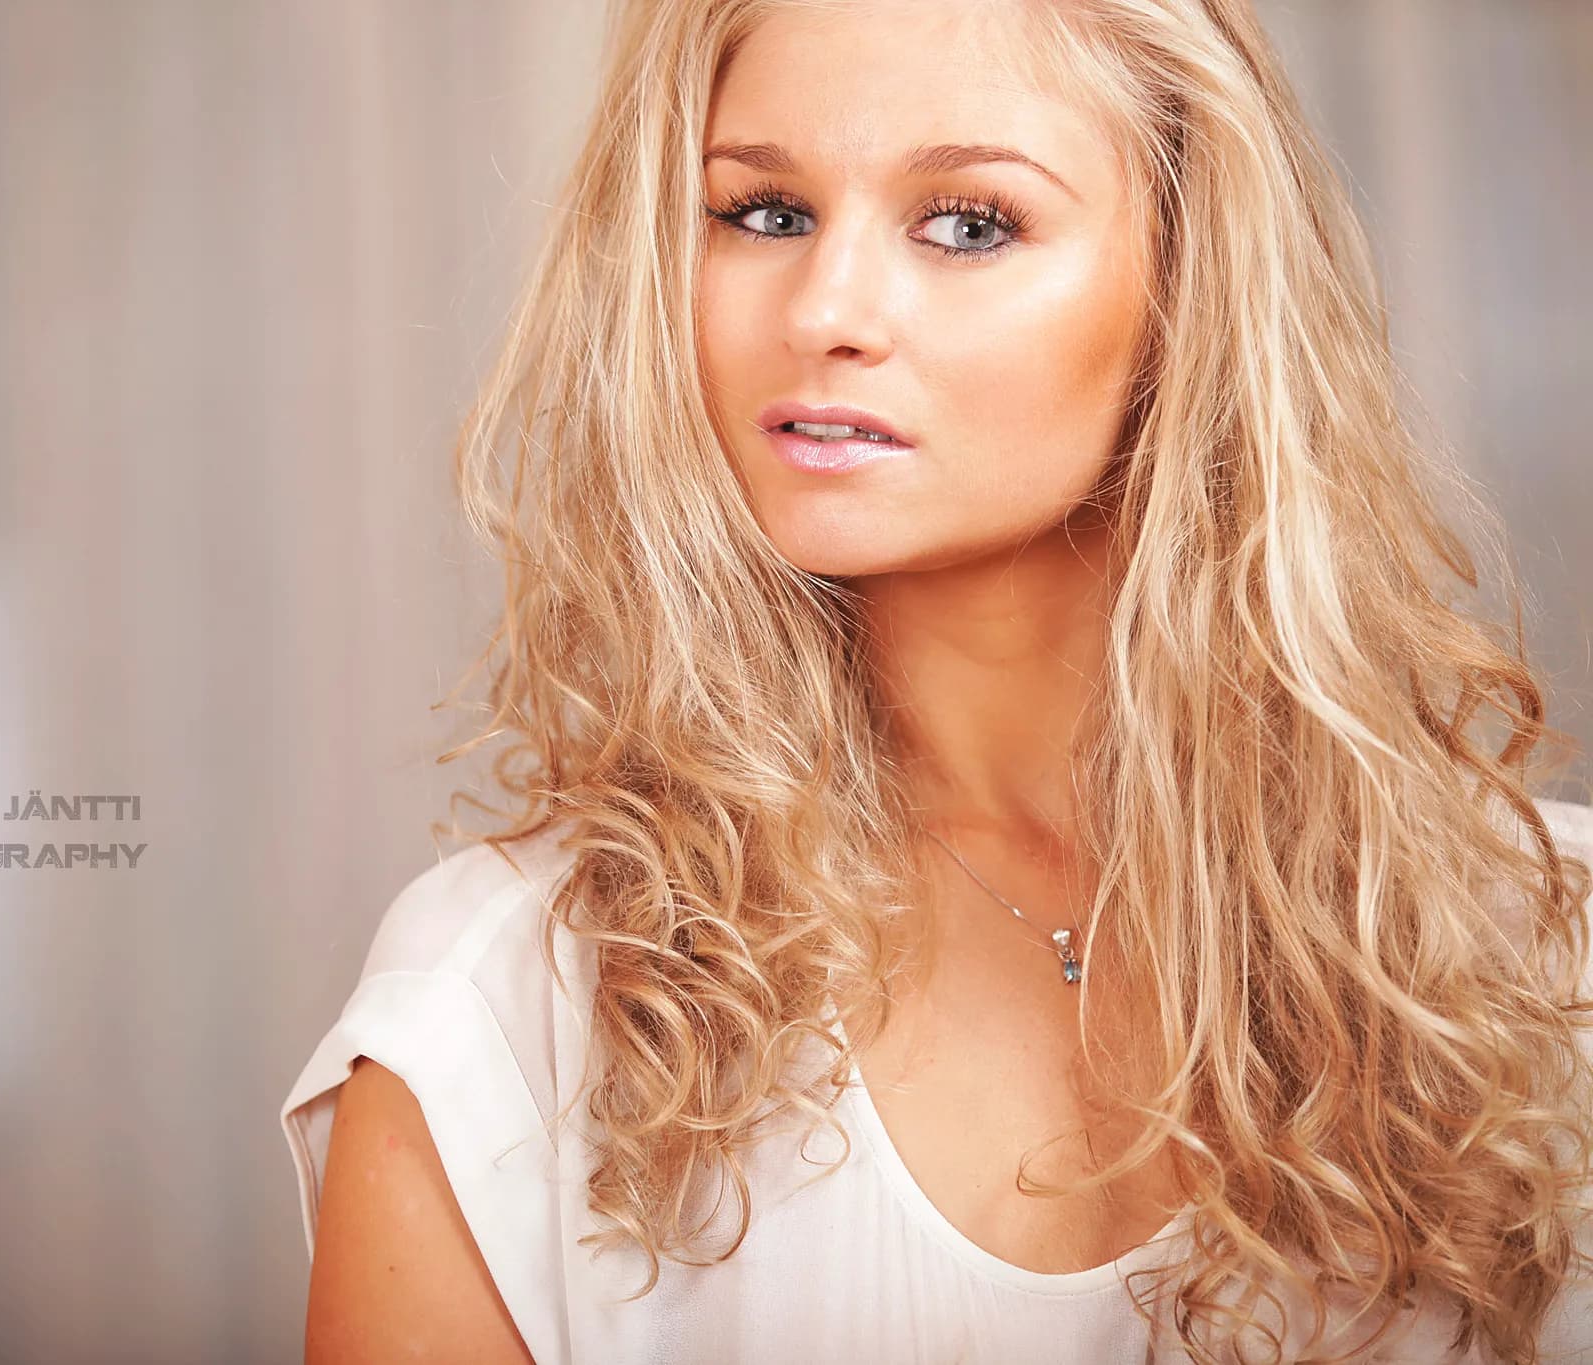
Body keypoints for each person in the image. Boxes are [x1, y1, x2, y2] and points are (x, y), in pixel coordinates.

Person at [281, 0, 1593, 1360]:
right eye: (764, 212)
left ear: (1189, 282)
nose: (826, 310)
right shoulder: (506, 1017)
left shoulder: (1544, 963)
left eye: (968, 223)